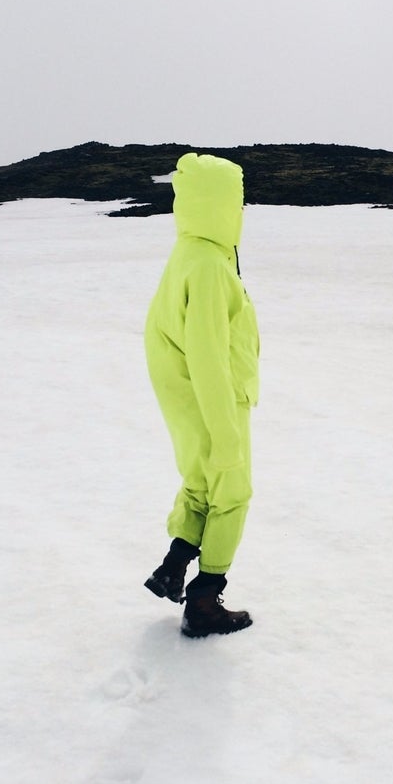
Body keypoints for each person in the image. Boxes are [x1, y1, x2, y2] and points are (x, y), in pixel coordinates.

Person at [144, 152, 260, 638]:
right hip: (213, 403)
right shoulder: (210, 267)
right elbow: (210, 357)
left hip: (185, 402)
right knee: (231, 493)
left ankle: (172, 568)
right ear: (222, 204)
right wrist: (226, 429)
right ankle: (205, 601)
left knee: (199, 486)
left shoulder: (188, 254)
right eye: (238, 201)